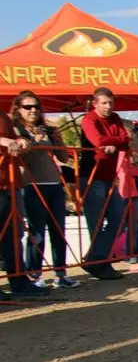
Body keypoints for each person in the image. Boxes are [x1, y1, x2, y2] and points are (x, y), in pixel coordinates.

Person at [10, 91, 79, 288]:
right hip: (32, 186)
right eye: (28, 107)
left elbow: (64, 158)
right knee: (36, 233)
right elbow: (25, 159)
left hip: (54, 185)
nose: (33, 111)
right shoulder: (16, 130)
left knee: (58, 231)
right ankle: (34, 275)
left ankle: (61, 273)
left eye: (36, 107)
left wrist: (57, 140)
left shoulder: (46, 129)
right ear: (18, 109)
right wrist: (36, 141)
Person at [79, 87, 132, 280]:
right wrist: (117, 140)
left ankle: (95, 259)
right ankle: (99, 262)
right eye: (104, 103)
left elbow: (126, 140)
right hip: (92, 177)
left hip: (109, 177)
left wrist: (115, 141)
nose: (108, 106)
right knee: (96, 223)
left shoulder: (115, 117)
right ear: (95, 104)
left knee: (119, 218)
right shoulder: (89, 119)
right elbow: (97, 140)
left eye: (110, 103)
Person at [1, 112, 50, 298]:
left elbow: (12, 139)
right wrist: (3, 141)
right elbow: (5, 140)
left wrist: (22, 140)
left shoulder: (3, 117)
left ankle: (19, 282)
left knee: (12, 237)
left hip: (10, 183)